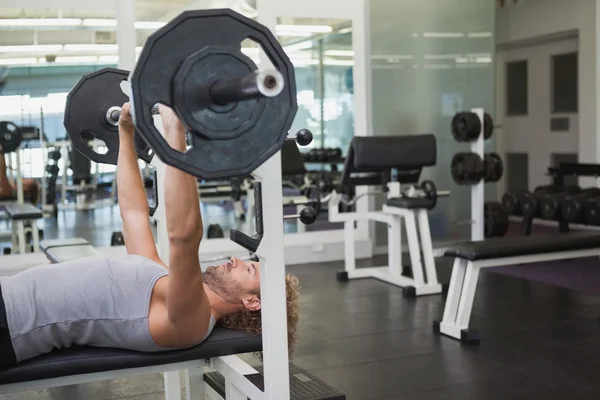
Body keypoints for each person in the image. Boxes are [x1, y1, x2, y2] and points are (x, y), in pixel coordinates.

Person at [0, 103, 300, 370]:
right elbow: (132, 213)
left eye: (248, 269)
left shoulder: (194, 320)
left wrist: (174, 130)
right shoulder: (161, 275)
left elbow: (184, 235)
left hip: (9, 323)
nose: (235, 259)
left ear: (252, 302)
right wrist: (125, 134)